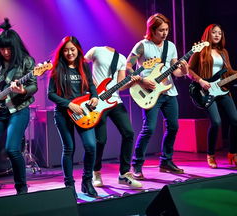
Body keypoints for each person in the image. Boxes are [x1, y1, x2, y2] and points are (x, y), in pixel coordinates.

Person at [126, 13, 189, 179]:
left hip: (169, 91)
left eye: (166, 30)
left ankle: (166, 162)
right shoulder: (142, 45)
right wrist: (142, 79)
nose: (164, 33)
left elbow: (174, 71)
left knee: (174, 126)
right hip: (149, 91)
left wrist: (183, 70)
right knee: (149, 129)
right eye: (161, 30)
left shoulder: (171, 46)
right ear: (152, 30)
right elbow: (129, 66)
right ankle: (137, 165)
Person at [0, 18, 37, 199]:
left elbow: (33, 86)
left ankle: (22, 190)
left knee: (12, 149)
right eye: (2, 49)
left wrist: (23, 89)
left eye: (8, 48)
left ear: (15, 46)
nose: (5, 52)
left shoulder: (27, 62)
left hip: (18, 110)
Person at [48, 36, 99, 197]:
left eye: (72, 49)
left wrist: (95, 96)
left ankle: (87, 181)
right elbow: (50, 94)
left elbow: (91, 85)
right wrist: (69, 104)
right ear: (61, 52)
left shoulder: (84, 65)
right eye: (66, 50)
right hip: (63, 113)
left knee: (91, 146)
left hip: (83, 113)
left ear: (78, 50)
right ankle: (69, 186)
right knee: (69, 149)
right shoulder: (56, 68)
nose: (69, 53)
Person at [85, 46, 142, 188]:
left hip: (115, 100)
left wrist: (131, 82)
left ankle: (124, 174)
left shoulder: (121, 58)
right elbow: (81, 66)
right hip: (98, 100)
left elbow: (120, 84)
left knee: (129, 133)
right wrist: (92, 85)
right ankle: (96, 171)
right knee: (101, 140)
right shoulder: (96, 51)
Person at [188, 24, 237, 168]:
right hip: (206, 90)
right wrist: (201, 80)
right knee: (216, 122)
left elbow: (228, 72)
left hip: (222, 90)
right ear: (208, 34)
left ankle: (233, 153)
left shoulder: (224, 52)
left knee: (235, 120)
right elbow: (189, 70)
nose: (217, 35)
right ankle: (210, 155)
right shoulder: (200, 50)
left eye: (220, 33)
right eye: (214, 32)